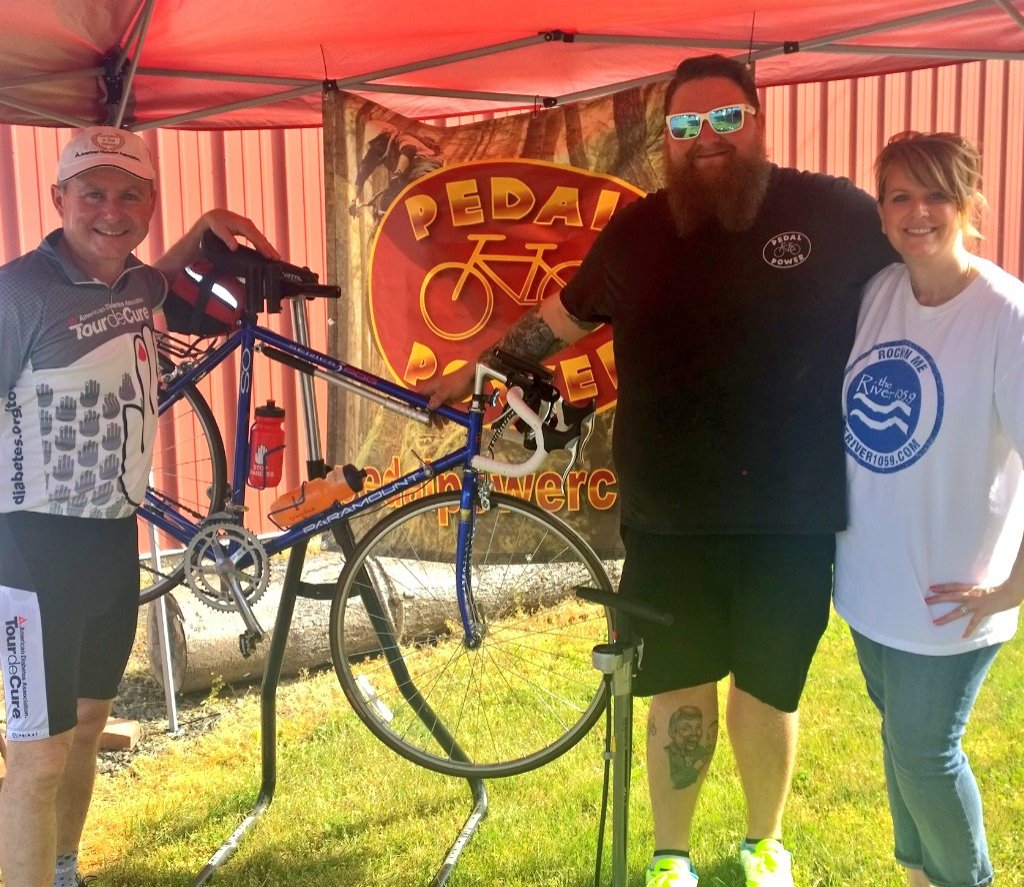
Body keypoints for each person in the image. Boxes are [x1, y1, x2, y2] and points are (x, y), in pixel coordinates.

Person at [425, 54, 896, 886]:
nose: (705, 140)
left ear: (758, 118)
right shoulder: (639, 232)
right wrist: (477, 367)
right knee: (679, 688)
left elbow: (921, 260)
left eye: (724, 120)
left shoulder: (833, 212)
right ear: (666, 139)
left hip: (794, 513)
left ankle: (763, 842)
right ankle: (671, 856)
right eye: (684, 126)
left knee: (768, 691)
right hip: (670, 515)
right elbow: (564, 315)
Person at [0, 125, 278, 887]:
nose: (111, 211)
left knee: (87, 729)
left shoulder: (136, 286)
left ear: (151, 202)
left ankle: (62, 870)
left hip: (110, 543)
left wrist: (205, 226)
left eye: (130, 195)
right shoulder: (18, 293)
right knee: (35, 755)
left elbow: (159, 272)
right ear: (59, 199)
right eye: (92, 194)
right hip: (30, 551)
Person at [835, 132, 1024, 887]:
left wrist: (1012, 587)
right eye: (900, 197)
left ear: (969, 202)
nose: (919, 212)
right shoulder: (880, 293)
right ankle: (917, 874)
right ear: (881, 212)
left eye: (937, 193)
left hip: (950, 602)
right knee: (900, 739)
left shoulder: (1006, 315)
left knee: (925, 752)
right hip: (872, 589)